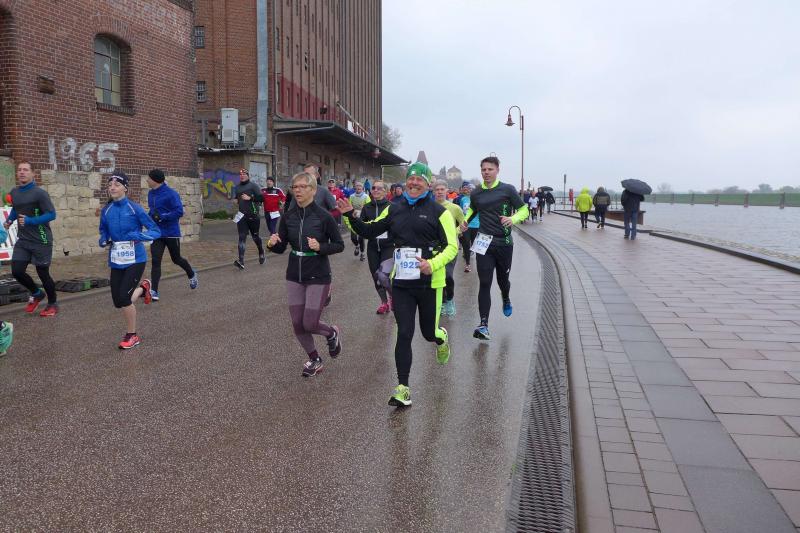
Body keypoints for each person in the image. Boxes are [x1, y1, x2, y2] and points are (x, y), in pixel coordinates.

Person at [339, 162, 458, 407]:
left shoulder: (440, 212)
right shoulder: (394, 208)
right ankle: (403, 388)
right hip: (402, 282)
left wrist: (432, 264)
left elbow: (452, 247)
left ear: (428, 184)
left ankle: (440, 337)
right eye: (411, 179)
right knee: (403, 333)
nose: (414, 183)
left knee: (428, 333)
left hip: (430, 282)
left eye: (419, 180)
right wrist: (350, 215)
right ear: (406, 182)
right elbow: (370, 230)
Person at [267, 172, 344, 377]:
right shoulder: (288, 217)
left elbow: (339, 245)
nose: (298, 190)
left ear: (313, 190)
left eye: (303, 186)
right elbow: (281, 247)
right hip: (294, 274)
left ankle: (331, 333)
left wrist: (320, 247)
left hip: (318, 274)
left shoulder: (324, 216)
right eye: (295, 187)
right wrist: (272, 244)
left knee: (309, 323)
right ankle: (314, 359)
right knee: (297, 324)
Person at [462, 156, 529, 341]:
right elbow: (473, 209)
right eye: (483, 169)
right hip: (484, 241)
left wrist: (513, 219)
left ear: (497, 170)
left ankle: (505, 297)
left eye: (490, 169)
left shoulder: (507, 189)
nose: (486, 172)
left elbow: (524, 209)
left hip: (504, 243)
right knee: (484, 282)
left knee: (502, 281)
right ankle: (483, 325)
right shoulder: (476, 192)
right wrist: (465, 221)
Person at [99, 172, 161, 349]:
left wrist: (139, 236)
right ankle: (143, 288)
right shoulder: (107, 210)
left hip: (136, 259)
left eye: (117, 185)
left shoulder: (135, 209)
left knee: (124, 298)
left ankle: (132, 335)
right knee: (118, 301)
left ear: (125, 188)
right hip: (117, 260)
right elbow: (103, 230)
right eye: (110, 185)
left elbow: (155, 231)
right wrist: (103, 239)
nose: (112, 187)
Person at [3, 161, 59, 317]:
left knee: (43, 273)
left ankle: (52, 303)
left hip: (41, 239)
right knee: (17, 271)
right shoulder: (14, 192)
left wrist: (31, 221)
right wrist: (10, 220)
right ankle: (37, 293)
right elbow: (16, 209)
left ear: (33, 173)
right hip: (24, 240)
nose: (22, 172)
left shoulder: (40, 193)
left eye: (26, 170)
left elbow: (51, 214)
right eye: (20, 170)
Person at [146, 169, 198, 301]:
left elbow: (179, 211)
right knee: (156, 261)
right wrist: (147, 220)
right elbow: (152, 211)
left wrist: (163, 217)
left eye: (149, 178)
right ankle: (154, 291)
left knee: (176, 259)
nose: (147, 180)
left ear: (155, 180)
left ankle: (191, 274)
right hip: (157, 233)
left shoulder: (171, 194)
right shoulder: (151, 193)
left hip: (171, 233)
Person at [345, 180, 394, 314]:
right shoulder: (367, 207)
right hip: (373, 246)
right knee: (376, 277)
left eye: (379, 188)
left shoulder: (392, 207)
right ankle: (384, 303)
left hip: (388, 246)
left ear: (385, 191)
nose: (376, 190)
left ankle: (393, 296)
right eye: (373, 188)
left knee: (383, 275)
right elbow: (362, 226)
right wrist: (353, 220)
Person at [433, 180, 464, 317]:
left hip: (450, 246)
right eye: (437, 189)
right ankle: (439, 302)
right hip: (434, 247)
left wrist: (453, 232)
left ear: (447, 191)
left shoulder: (455, 208)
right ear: (433, 192)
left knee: (447, 275)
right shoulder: (429, 206)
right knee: (435, 277)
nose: (439, 192)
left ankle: (449, 300)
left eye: (442, 189)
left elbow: (463, 224)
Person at [233, 169, 265, 269]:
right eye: (240, 174)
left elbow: (262, 199)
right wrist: (235, 200)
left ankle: (261, 251)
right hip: (242, 216)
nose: (242, 175)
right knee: (242, 237)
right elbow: (237, 198)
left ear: (248, 176)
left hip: (253, 215)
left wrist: (250, 198)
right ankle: (241, 261)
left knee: (255, 237)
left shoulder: (253, 186)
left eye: (244, 174)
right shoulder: (237, 187)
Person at [456, 182, 479, 272]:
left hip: (476, 225)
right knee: (466, 244)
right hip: (466, 225)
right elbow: (461, 213)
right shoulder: (463, 199)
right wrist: (460, 225)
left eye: (472, 189)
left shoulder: (478, 200)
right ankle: (468, 264)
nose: (470, 190)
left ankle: (479, 263)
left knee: (475, 245)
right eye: (469, 189)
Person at [347, 181, 370, 261]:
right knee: (353, 238)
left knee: (361, 238)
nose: (358, 188)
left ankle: (362, 253)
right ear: (355, 188)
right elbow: (349, 207)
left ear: (362, 188)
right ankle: (357, 246)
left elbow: (369, 207)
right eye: (357, 187)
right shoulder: (352, 196)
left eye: (360, 187)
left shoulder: (366, 196)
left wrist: (364, 207)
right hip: (354, 218)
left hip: (363, 219)